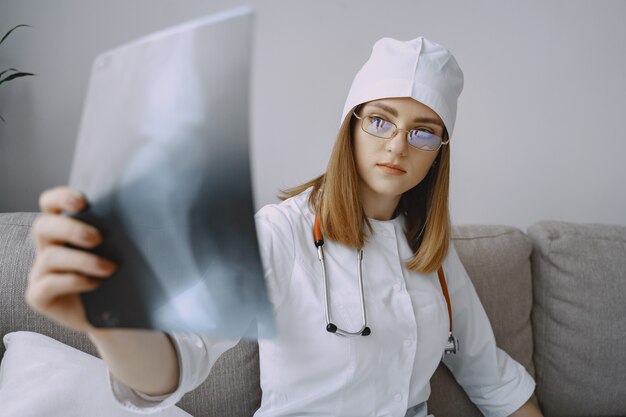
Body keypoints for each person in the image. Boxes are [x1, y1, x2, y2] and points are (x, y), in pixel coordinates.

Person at [25, 36, 544, 417]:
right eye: (381, 120)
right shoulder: (278, 233)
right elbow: (178, 359)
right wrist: (108, 318)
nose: (398, 145)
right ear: (352, 127)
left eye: (423, 133)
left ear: (439, 154)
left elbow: (490, 374)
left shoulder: (433, 251)